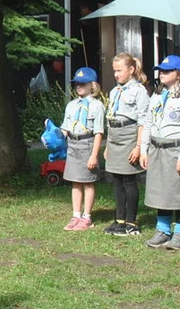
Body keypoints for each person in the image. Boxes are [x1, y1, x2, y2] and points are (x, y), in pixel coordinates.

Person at [139, 55, 180, 250]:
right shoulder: (156, 94)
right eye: (161, 70)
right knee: (160, 191)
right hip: (157, 147)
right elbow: (148, 123)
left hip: (175, 148)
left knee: (179, 192)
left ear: (179, 74)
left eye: (167, 71)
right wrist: (144, 149)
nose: (162, 74)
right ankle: (162, 230)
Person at [104, 54, 150, 237]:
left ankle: (131, 222)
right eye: (114, 71)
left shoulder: (139, 91)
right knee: (117, 180)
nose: (116, 74)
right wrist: (107, 145)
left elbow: (143, 121)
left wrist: (139, 146)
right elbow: (110, 120)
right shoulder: (115, 91)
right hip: (115, 136)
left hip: (130, 136)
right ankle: (119, 220)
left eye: (119, 70)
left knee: (129, 180)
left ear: (131, 70)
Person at [60, 68, 105, 231]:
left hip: (87, 144)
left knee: (88, 182)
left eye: (82, 83)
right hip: (73, 144)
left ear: (92, 85)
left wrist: (94, 155)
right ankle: (76, 215)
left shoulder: (97, 106)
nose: (78, 86)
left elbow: (99, 132)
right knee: (75, 182)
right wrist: (55, 139)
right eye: (76, 84)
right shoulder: (71, 105)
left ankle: (86, 217)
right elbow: (65, 127)